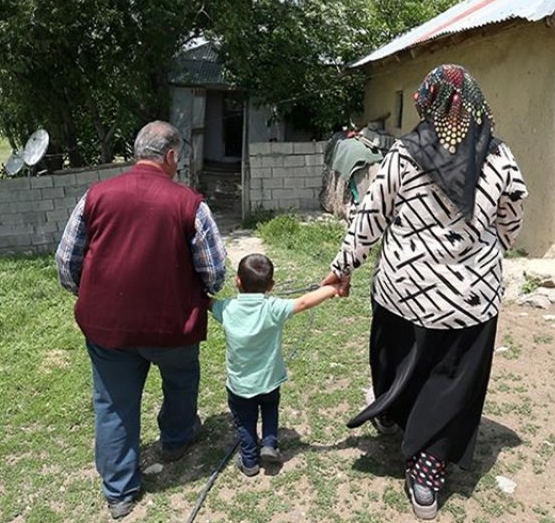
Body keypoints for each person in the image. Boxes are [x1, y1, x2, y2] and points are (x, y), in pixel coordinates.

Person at [322, 64, 527, 520]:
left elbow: (370, 217)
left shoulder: (402, 155)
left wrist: (343, 267)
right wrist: (485, 249)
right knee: (453, 377)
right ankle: (427, 461)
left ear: (428, 104)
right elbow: (511, 223)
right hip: (471, 297)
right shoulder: (500, 157)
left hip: (405, 291)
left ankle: (411, 440)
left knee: (396, 355)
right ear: (473, 105)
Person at [55, 121, 227, 520]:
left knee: (113, 404)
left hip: (108, 329)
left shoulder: (95, 196)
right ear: (170, 156)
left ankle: (119, 492)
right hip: (174, 325)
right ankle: (177, 438)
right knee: (181, 381)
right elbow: (215, 271)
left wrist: (94, 296)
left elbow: (66, 263)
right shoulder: (190, 203)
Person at [211, 253, 340, 476]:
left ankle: (249, 462)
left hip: (240, 385)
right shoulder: (273, 308)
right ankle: (270, 443)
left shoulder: (227, 309)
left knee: (245, 422)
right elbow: (303, 301)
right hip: (270, 381)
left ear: (237, 281)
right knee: (270, 409)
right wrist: (333, 288)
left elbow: (207, 302)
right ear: (271, 286)